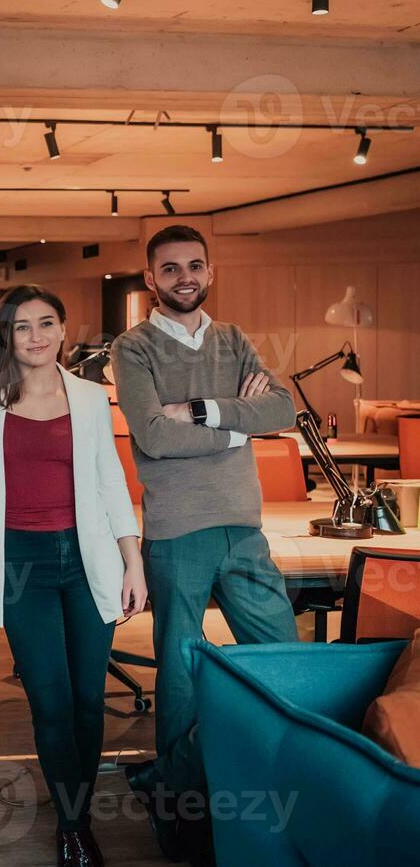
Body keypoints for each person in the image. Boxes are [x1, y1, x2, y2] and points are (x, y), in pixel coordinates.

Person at [111, 224, 298, 863]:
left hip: (244, 529)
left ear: (209, 272)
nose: (184, 276)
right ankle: (179, 812)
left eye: (194, 265)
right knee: (182, 676)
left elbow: (283, 411)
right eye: (170, 268)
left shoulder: (234, 339)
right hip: (176, 531)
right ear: (151, 279)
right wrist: (239, 430)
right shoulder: (132, 349)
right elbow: (153, 438)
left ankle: (174, 772)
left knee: (283, 661)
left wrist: (203, 411)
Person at [0, 285, 146, 867]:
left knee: (90, 698)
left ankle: (76, 814)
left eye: (46, 324)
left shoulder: (91, 397)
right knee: (51, 699)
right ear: (5, 335)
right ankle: (73, 828)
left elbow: (111, 481)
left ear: (64, 330)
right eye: (21, 326)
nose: (35, 336)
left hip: (89, 559)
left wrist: (132, 560)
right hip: (21, 564)